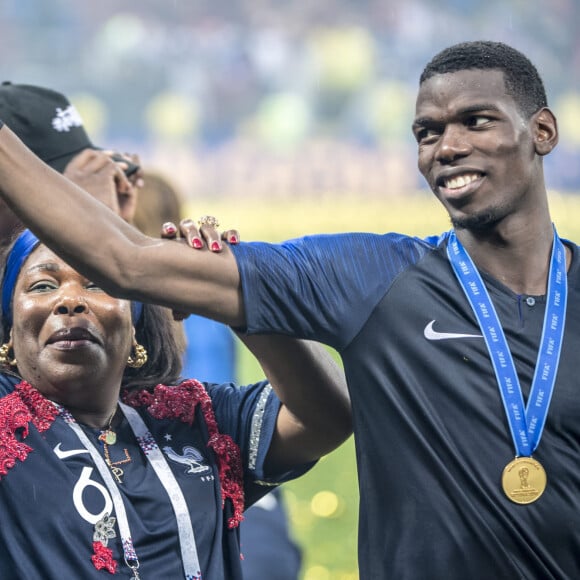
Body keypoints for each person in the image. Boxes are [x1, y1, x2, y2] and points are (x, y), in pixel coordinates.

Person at [0, 40, 573, 578]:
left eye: (476, 121)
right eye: (427, 132)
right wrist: (228, 287)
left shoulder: (193, 423)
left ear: (542, 131)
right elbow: (125, 259)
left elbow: (325, 417)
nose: (447, 147)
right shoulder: (372, 273)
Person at [0, 230, 350, 579]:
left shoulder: (196, 418)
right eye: (43, 285)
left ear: (134, 326)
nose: (70, 300)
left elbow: (326, 416)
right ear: (10, 333)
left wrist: (235, 288)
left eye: (97, 285)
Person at [134, 170, 302, 579]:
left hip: (205, 479)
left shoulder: (165, 304)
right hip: (252, 496)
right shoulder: (206, 291)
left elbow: (197, 406)